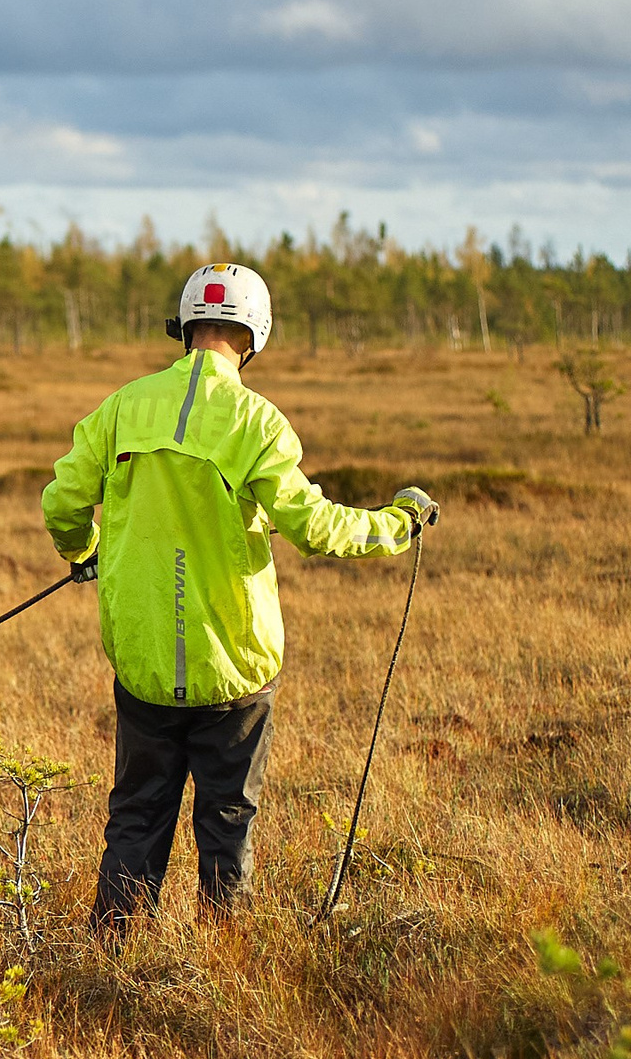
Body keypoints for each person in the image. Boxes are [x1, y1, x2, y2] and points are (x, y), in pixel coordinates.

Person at [40, 262, 439, 931]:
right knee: (227, 822)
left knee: (135, 816)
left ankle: (111, 960)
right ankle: (226, 966)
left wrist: (83, 551)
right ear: (254, 335)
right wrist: (397, 523)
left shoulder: (122, 407)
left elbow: (62, 504)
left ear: (185, 325)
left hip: (141, 666)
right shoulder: (259, 421)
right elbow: (316, 527)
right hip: (237, 669)